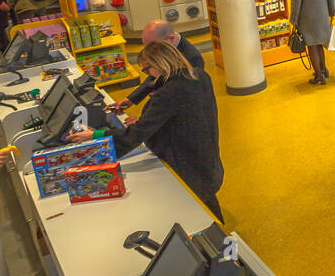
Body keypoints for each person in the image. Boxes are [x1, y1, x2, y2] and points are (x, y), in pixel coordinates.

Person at [69, 41, 224, 222]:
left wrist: (94, 135)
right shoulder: (199, 75)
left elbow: (135, 135)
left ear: (160, 63)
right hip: (206, 158)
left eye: (146, 69)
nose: (147, 74)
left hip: (187, 166)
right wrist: (149, 119)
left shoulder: (169, 92)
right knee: (208, 204)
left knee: (202, 210)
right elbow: (185, 116)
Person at [113, 19, 206, 111]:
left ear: (171, 38)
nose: (149, 52)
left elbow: (188, 97)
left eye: (153, 47)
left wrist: (161, 95)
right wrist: (131, 99)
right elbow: (154, 77)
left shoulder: (193, 59)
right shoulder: (164, 45)